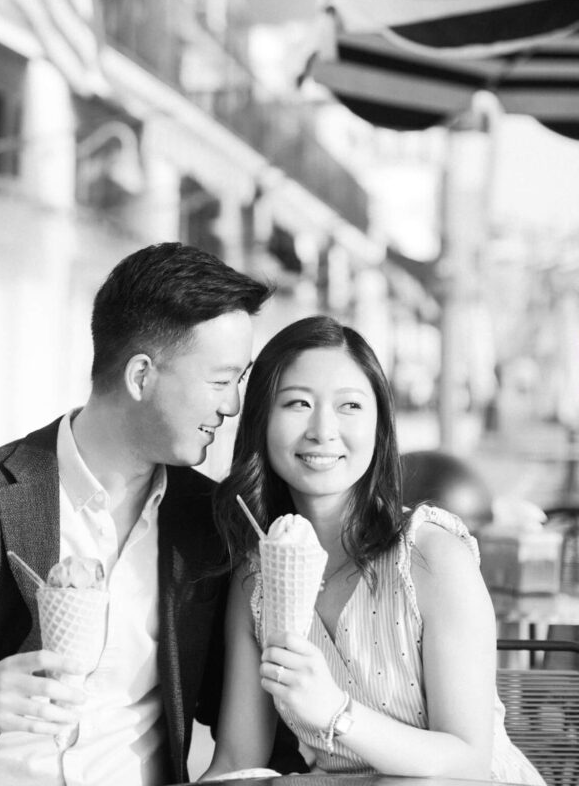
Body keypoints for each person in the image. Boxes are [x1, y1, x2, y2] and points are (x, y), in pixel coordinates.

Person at [0, 242, 274, 786]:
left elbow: (228, 701)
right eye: (222, 379)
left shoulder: (208, 520)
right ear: (141, 376)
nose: (233, 404)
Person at [202, 315, 545, 785]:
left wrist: (336, 712)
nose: (322, 430)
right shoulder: (257, 577)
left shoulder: (431, 555)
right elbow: (238, 763)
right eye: (298, 403)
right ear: (262, 420)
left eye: (350, 406)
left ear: (380, 426)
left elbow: (468, 761)